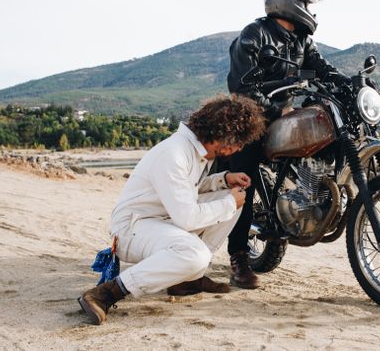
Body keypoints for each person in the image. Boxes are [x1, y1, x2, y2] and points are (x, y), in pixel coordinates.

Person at [78, 94, 267, 325]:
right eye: (239, 142)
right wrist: (228, 203)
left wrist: (224, 180)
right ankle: (106, 293)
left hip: (161, 221)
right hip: (133, 228)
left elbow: (187, 189)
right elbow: (187, 217)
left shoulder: (194, 151)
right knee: (196, 251)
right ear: (223, 136)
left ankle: (187, 278)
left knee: (234, 196)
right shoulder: (174, 153)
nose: (239, 148)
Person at [225, 0, 351, 289]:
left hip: (285, 114)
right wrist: (274, 108)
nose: (311, 9)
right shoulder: (254, 34)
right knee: (246, 176)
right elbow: (241, 88)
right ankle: (239, 255)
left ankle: (313, 199)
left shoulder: (303, 40)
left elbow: (322, 69)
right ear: (289, 2)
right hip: (252, 116)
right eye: (307, 2)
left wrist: (351, 85)